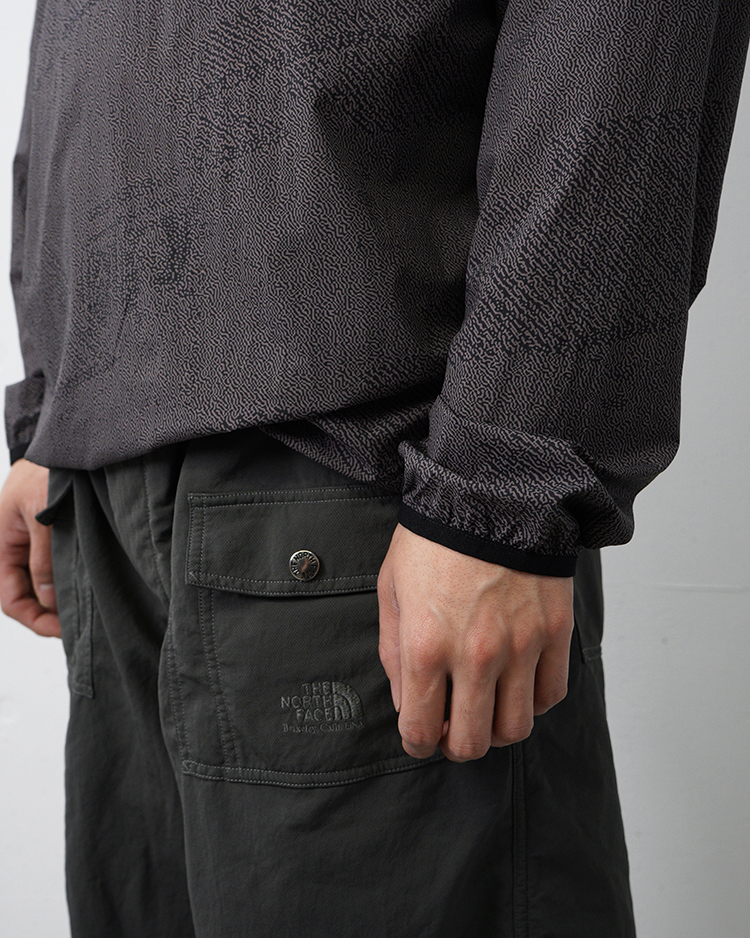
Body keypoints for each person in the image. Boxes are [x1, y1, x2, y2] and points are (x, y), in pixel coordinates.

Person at [1, 1, 748, 935]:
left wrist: (504, 483)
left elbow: (620, 35)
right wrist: (52, 403)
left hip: (369, 496)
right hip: (105, 476)